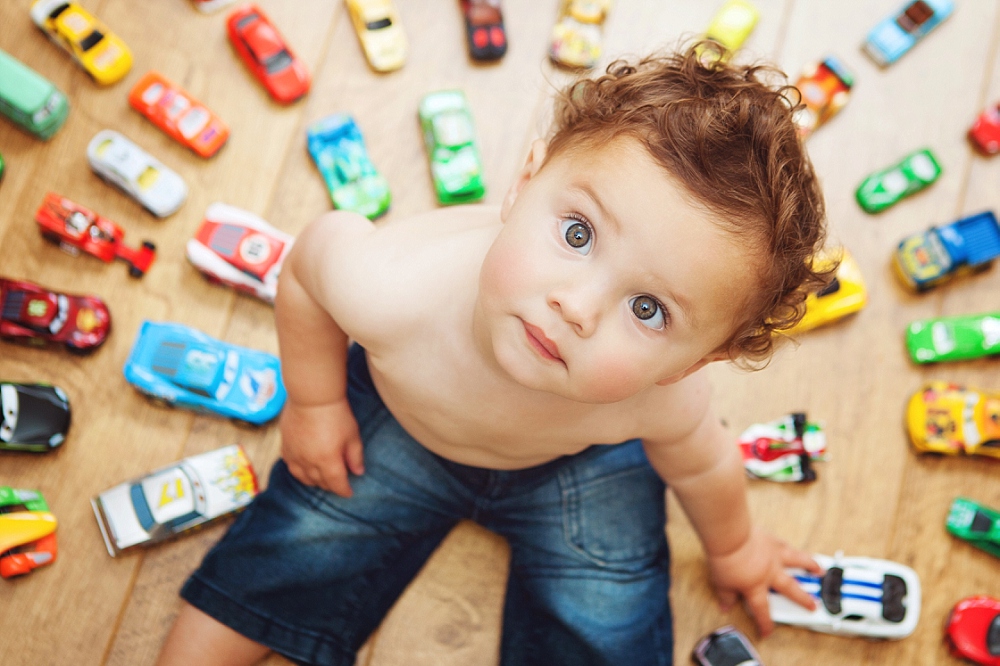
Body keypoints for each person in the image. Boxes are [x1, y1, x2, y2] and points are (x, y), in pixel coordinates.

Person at [158, 43, 829, 666]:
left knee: (600, 617)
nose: (577, 305)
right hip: (404, 425)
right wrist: (315, 401)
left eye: (648, 309)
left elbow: (706, 464)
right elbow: (307, 267)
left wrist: (735, 548)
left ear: (691, 363)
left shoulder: (661, 397)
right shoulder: (392, 288)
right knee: (295, 552)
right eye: (577, 233)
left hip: (578, 467)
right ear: (524, 181)